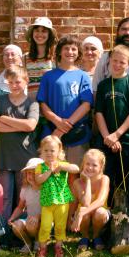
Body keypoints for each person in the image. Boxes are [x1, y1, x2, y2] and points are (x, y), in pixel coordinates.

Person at [94, 45, 129, 211]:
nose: (117, 65)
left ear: (128, 64)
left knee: (126, 178)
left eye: (122, 62)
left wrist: (117, 134)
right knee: (107, 177)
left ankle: (125, 213)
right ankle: (106, 212)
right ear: (109, 61)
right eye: (114, 61)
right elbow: (99, 113)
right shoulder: (103, 85)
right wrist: (107, 137)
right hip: (106, 140)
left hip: (127, 139)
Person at [0, 65, 39, 224]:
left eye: (18, 82)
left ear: (26, 81)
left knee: (22, 198)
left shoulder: (32, 103)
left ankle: (20, 231)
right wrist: (19, 127)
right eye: (10, 82)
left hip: (25, 158)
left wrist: (4, 119)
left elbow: (30, 126)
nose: (14, 85)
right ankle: (3, 230)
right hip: (4, 157)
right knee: (4, 197)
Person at [37, 35, 94, 166]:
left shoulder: (83, 76)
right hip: (52, 131)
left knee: (75, 170)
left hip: (77, 133)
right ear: (59, 52)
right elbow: (43, 104)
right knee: (52, 171)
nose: (70, 52)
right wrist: (57, 121)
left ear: (78, 53)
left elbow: (86, 105)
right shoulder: (48, 76)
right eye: (66, 48)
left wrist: (65, 126)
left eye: (73, 49)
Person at [34, 135, 80, 257]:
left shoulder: (63, 164)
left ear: (59, 152)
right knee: (45, 226)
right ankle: (42, 247)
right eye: (46, 150)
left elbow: (76, 169)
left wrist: (62, 167)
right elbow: (38, 180)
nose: (49, 153)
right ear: (41, 151)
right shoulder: (40, 167)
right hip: (47, 202)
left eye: (52, 150)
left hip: (62, 202)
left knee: (60, 226)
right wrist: (49, 171)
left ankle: (58, 246)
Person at [71, 149, 111, 252]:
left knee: (99, 212)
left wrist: (82, 213)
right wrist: (88, 181)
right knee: (83, 210)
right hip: (84, 220)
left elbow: (100, 201)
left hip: (100, 217)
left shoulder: (104, 179)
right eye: (87, 164)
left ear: (101, 167)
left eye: (94, 165)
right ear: (83, 164)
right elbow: (86, 203)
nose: (90, 167)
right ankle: (85, 237)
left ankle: (96, 236)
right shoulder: (77, 182)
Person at [92, 17, 129, 89]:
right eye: (124, 29)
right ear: (118, 32)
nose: (127, 33)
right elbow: (96, 87)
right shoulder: (106, 58)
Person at [8, 158, 43, 254]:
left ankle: (38, 242)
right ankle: (28, 243)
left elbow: (49, 209)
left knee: (31, 223)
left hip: (45, 222)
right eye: (29, 173)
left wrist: (37, 217)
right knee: (16, 225)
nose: (32, 176)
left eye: (35, 173)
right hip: (30, 221)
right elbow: (20, 207)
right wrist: (12, 218)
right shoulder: (25, 189)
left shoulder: (46, 189)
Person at [24, 17, 57, 100]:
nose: (40, 34)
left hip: (50, 102)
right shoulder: (24, 58)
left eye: (44, 31)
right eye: (37, 30)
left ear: (49, 35)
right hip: (31, 103)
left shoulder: (55, 58)